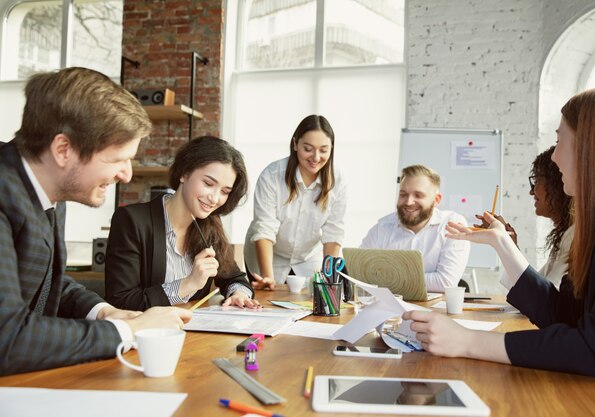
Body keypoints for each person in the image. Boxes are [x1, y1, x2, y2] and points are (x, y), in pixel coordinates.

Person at [402, 85, 595, 389]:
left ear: (593, 147)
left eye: (560, 140)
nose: (556, 157)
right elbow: (564, 316)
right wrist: (502, 243)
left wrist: (468, 341)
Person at [0, 67, 191, 376]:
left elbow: (45, 282)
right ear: (64, 150)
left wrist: (106, 312)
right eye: (117, 159)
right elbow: (6, 339)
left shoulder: (49, 188)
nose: (126, 174)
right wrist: (127, 332)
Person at [105, 137, 259, 310]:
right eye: (208, 183)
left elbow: (234, 278)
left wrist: (239, 294)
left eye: (224, 191)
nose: (215, 198)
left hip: (195, 334)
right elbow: (120, 301)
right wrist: (188, 284)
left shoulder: (210, 224)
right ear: (184, 173)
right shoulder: (131, 220)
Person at [244, 114, 347, 289]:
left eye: (323, 150)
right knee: (268, 305)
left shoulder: (337, 181)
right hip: (269, 256)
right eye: (308, 148)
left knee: (313, 306)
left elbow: (333, 232)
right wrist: (268, 278)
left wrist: (329, 278)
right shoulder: (272, 175)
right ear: (295, 144)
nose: (316, 157)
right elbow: (265, 229)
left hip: (309, 258)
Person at [360, 165, 470, 292]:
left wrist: (388, 278)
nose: (408, 202)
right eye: (403, 194)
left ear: (436, 200)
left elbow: (445, 282)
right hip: (389, 308)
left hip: (432, 309)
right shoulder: (383, 227)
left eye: (418, 195)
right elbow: (361, 273)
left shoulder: (452, 224)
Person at [476, 147, 573, 287]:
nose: (531, 191)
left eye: (537, 181)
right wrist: (509, 244)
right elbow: (534, 288)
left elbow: (542, 296)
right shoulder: (565, 235)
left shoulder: (572, 236)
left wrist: (504, 243)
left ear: (556, 185)